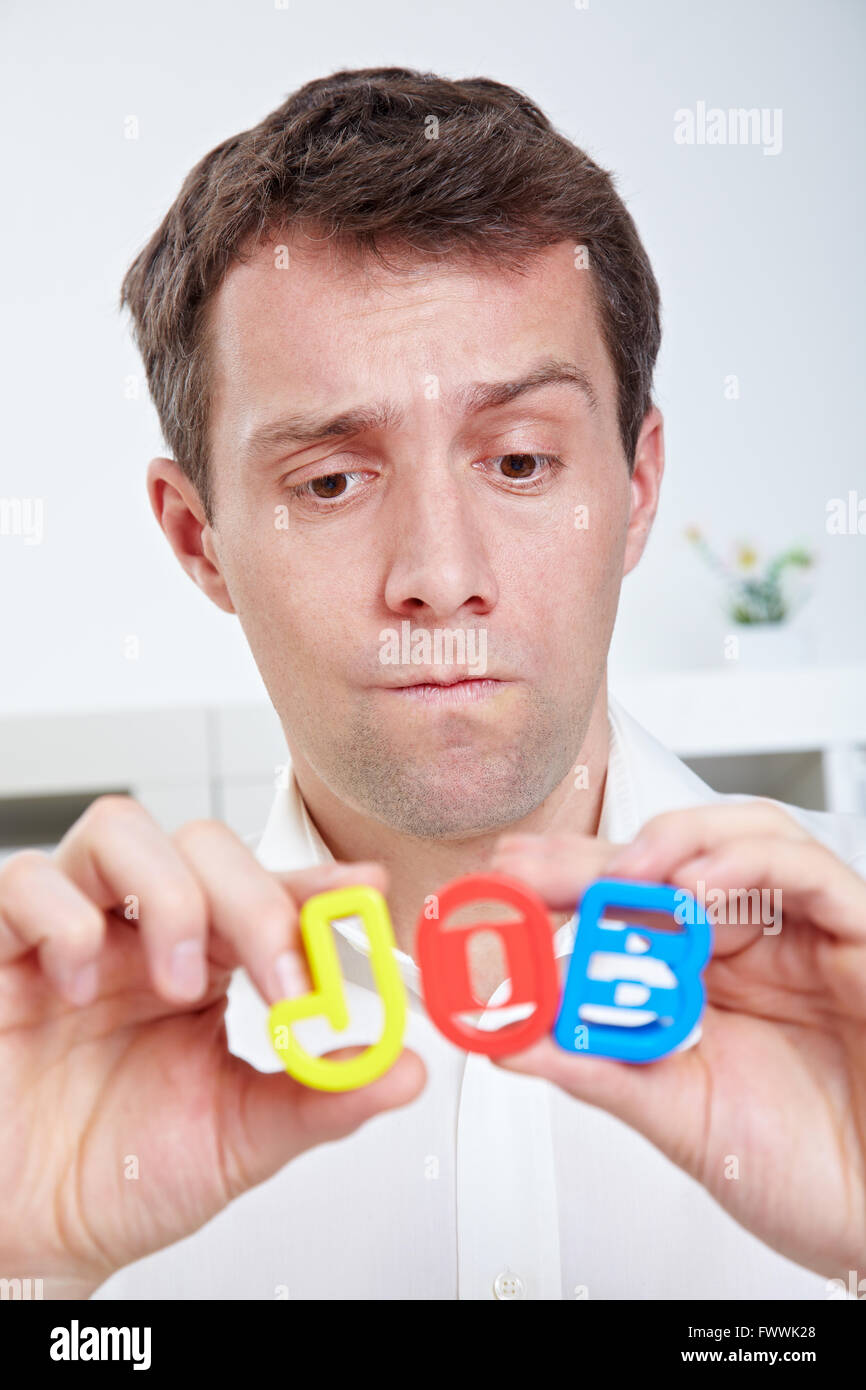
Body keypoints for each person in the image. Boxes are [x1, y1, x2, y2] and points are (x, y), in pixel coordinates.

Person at [2, 67, 864, 1302]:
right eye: (332, 483)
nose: (440, 577)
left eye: (517, 460)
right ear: (199, 543)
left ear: (632, 486)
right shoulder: (46, 1088)